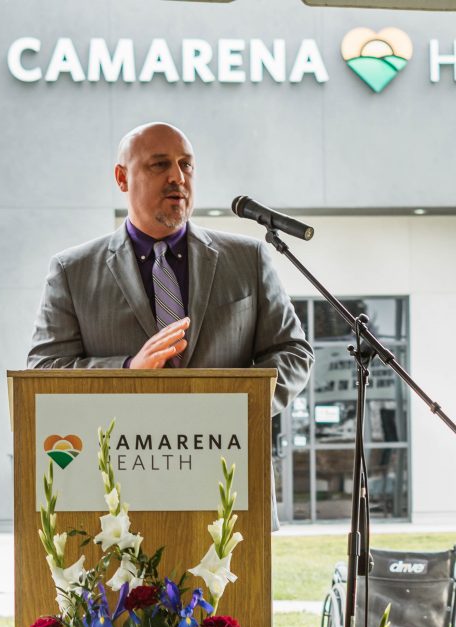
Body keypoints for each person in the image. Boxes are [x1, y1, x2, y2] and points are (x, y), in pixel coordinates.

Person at [27, 122, 313, 416]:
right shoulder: (72, 271)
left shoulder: (248, 258)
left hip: (231, 454)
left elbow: (293, 353)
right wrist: (128, 370)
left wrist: (233, 405)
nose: (177, 177)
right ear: (122, 178)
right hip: (121, 456)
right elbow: (46, 369)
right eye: (160, 164)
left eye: (186, 165)